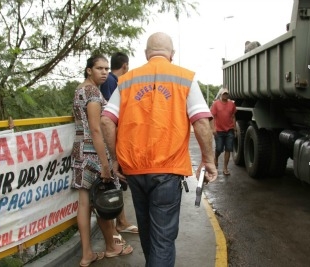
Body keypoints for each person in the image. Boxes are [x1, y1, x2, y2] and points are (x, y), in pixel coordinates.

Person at [100, 32, 218, 267]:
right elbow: (202, 121)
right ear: (171, 55)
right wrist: (208, 160)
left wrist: (115, 159)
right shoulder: (184, 78)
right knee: (163, 238)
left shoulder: (127, 80)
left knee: (147, 231)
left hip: (134, 169)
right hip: (167, 170)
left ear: (146, 54)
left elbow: (106, 121)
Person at [72, 54, 133, 267]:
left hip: (80, 152)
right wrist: (106, 164)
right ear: (89, 70)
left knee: (84, 205)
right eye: (99, 68)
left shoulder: (79, 90)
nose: (105, 72)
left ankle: (87, 253)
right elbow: (96, 129)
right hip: (95, 155)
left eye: (107, 68)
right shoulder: (92, 92)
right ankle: (113, 246)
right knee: (104, 201)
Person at [100, 52, 139, 244]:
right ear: (125, 66)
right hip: (113, 140)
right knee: (114, 181)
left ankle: (121, 222)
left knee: (119, 182)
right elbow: (108, 117)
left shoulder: (113, 81)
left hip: (118, 138)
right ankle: (116, 226)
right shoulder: (111, 82)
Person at [211, 88, 237, 176]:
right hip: (219, 131)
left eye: (226, 94)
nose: (225, 95)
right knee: (219, 148)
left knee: (228, 149)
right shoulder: (216, 104)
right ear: (221, 95)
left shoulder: (231, 104)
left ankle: (225, 168)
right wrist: (213, 128)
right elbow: (212, 117)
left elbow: (233, 116)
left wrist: (235, 128)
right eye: (224, 94)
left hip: (229, 130)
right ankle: (216, 158)